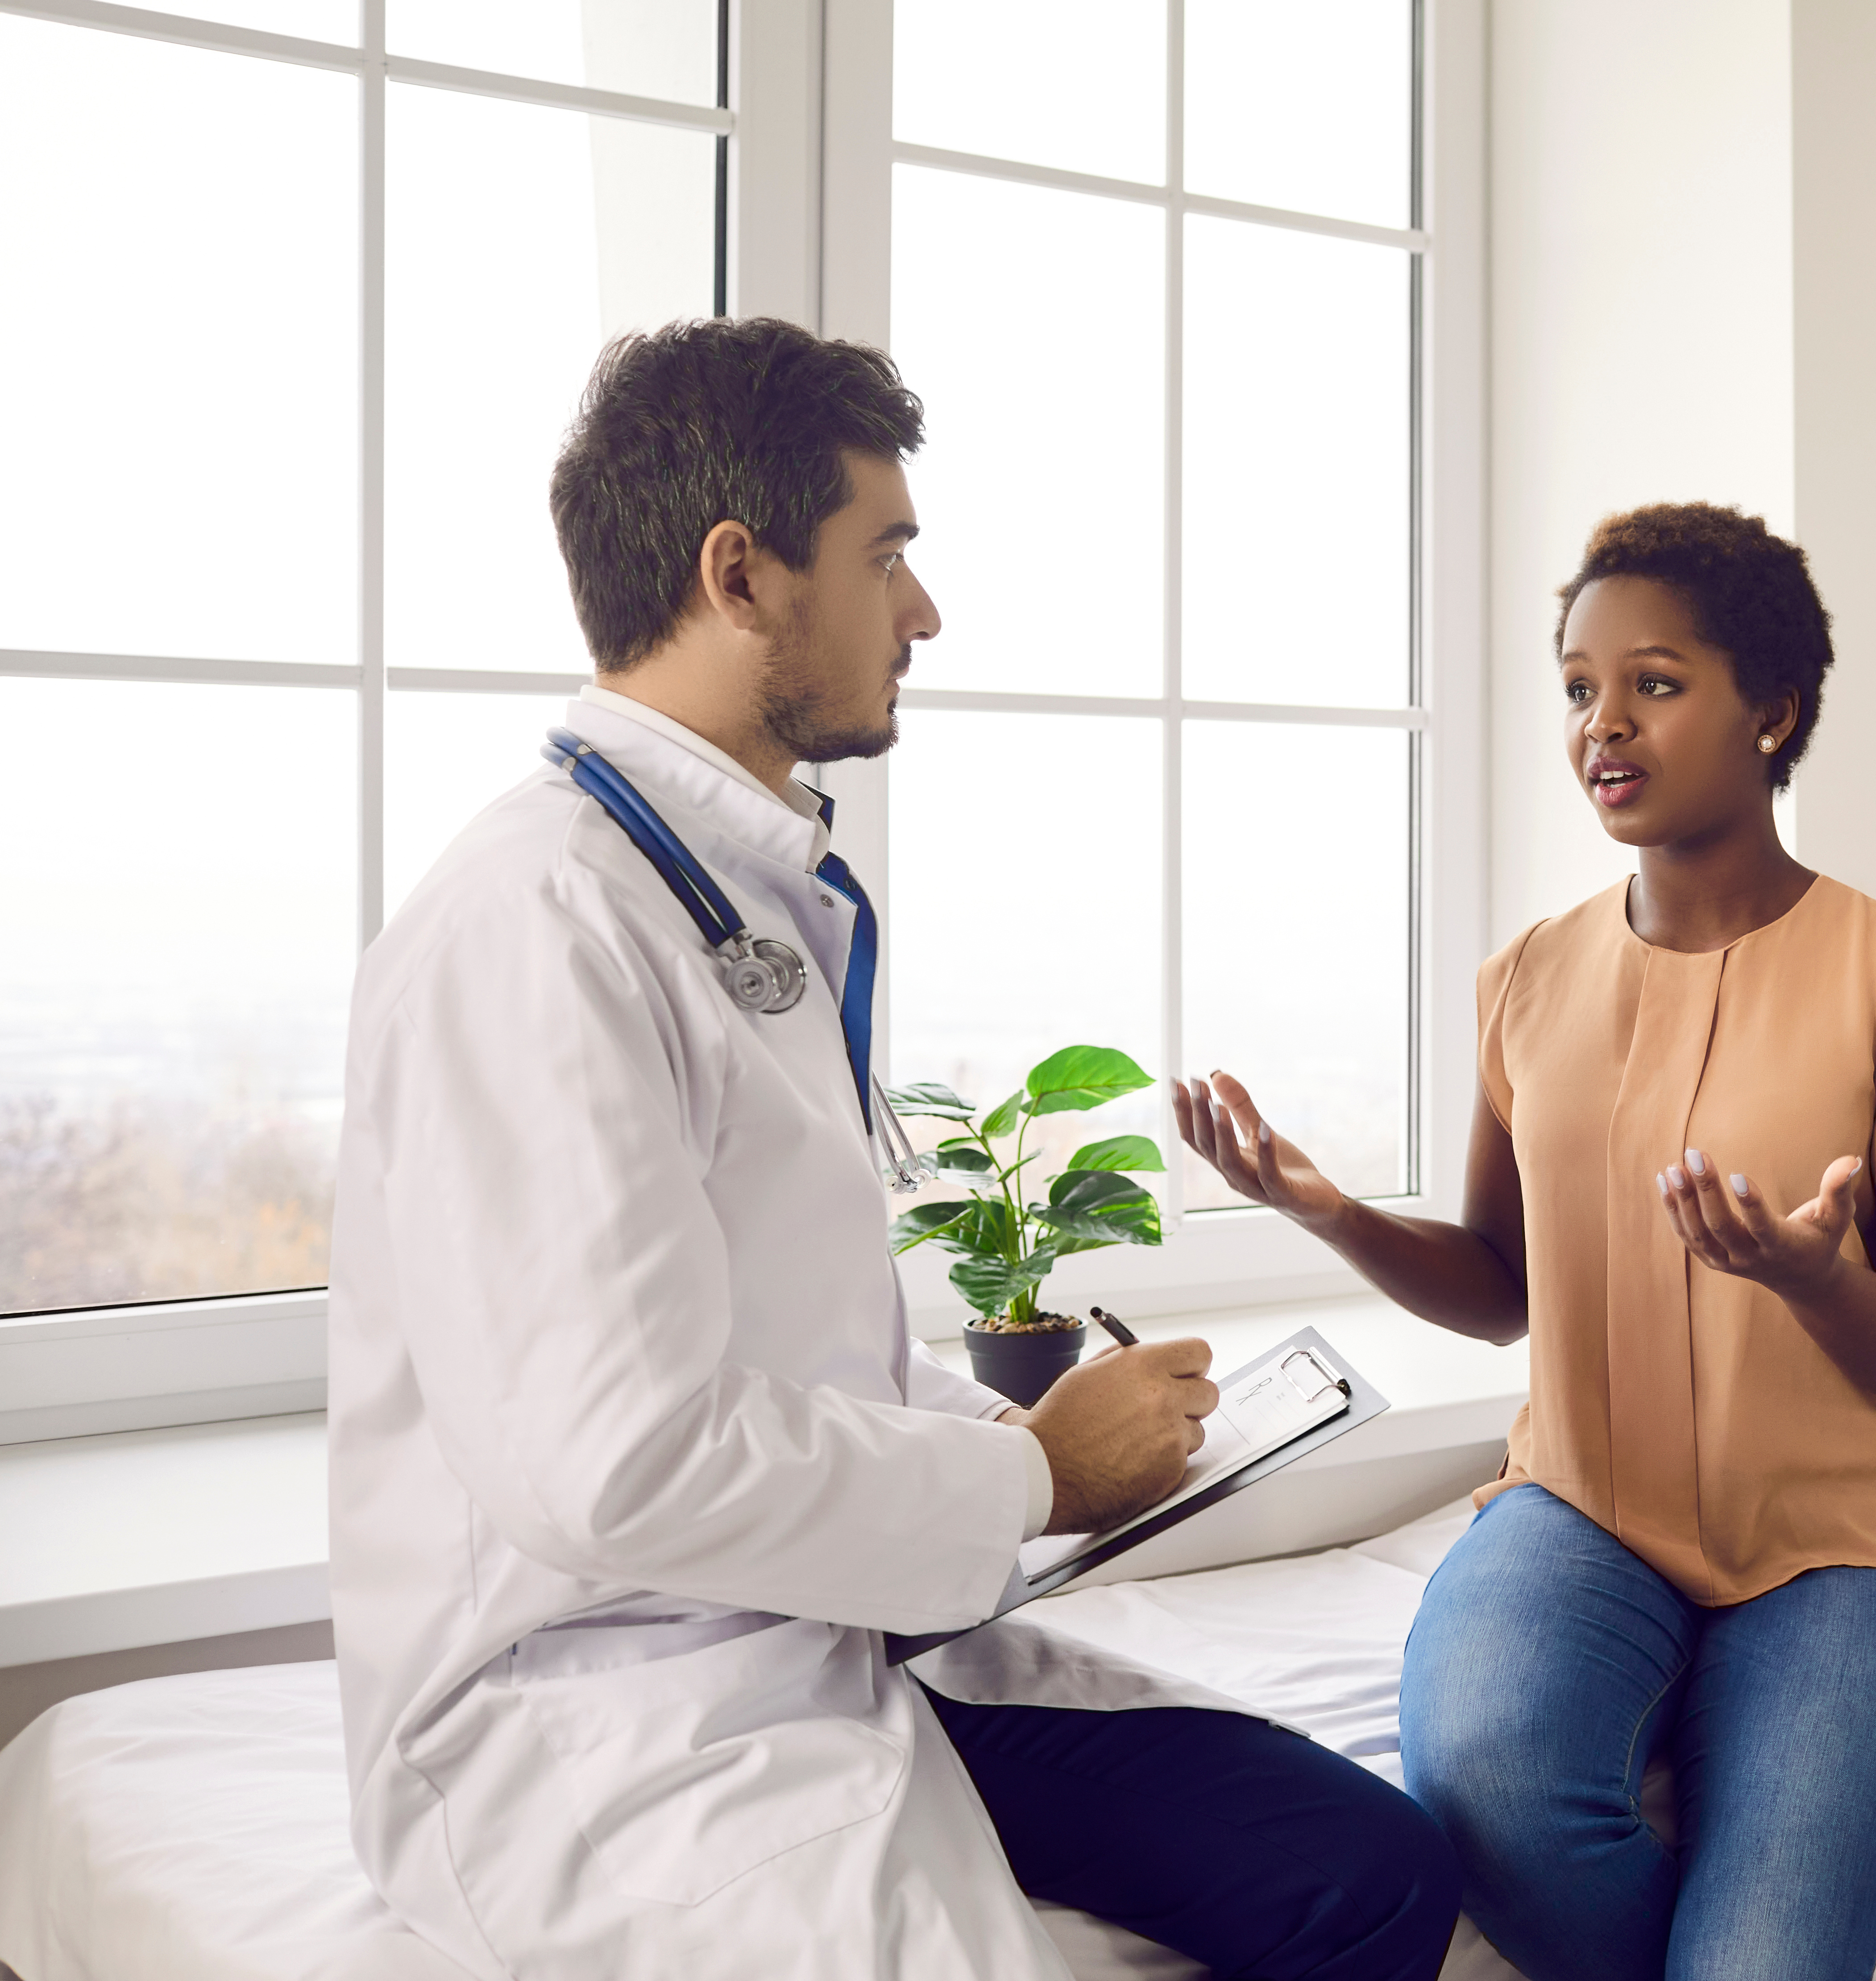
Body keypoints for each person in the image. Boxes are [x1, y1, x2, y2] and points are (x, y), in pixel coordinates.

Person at [326, 317, 1457, 1981]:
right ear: (742, 573)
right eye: (889, 552)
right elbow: (609, 1464)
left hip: (816, 1630)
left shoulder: (729, 896)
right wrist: (1034, 1473)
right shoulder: (537, 926)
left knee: (1359, 1868)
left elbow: (784, 1336)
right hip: (605, 1693)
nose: (923, 610)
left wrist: (1030, 1438)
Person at [1177, 502, 1876, 1981]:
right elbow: (1501, 1296)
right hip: (1580, 1511)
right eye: (1576, 688)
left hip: (1850, 1552)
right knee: (1488, 1782)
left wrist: (1815, 1282)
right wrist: (1332, 1212)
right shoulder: (1529, 980)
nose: (1600, 725)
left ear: (1774, 710)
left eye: (1654, 683)